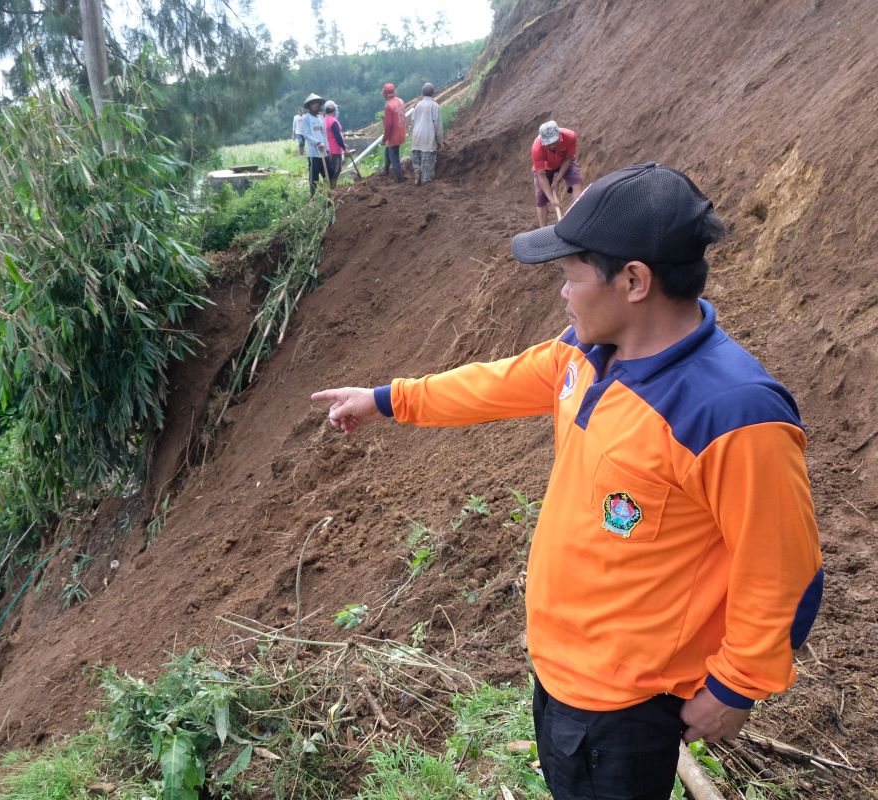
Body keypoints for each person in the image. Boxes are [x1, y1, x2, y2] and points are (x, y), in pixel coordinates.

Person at [311, 162, 823, 800]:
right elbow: (494, 383)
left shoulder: (731, 413)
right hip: (561, 674)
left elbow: (784, 569)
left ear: (634, 280)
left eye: (570, 274)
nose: (562, 293)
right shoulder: (586, 355)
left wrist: (737, 688)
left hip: (630, 705)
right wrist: (387, 399)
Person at [533, 120, 583, 227]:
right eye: (549, 144)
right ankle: (543, 230)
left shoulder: (570, 136)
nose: (552, 146)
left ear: (559, 135)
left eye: (554, 143)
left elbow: (569, 158)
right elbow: (541, 175)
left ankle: (578, 221)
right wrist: (552, 199)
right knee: (541, 198)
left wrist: (557, 179)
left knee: (576, 181)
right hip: (545, 168)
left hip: (565, 160)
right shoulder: (537, 148)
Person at [409, 82, 444, 185]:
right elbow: (437, 125)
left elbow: (413, 121)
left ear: (422, 93)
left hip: (416, 138)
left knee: (417, 161)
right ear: (433, 93)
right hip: (428, 139)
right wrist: (439, 140)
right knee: (427, 163)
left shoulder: (418, 106)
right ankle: (425, 180)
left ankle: (417, 176)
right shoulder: (435, 106)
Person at [299, 94, 330, 197]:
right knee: (314, 177)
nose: (316, 105)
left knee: (329, 174)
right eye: (313, 103)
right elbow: (306, 134)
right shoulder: (306, 118)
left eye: (317, 103)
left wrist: (327, 147)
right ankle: (312, 198)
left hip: (323, 151)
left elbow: (324, 134)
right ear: (309, 106)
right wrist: (317, 143)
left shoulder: (321, 118)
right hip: (314, 153)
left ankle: (329, 194)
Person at [380, 83, 406, 181]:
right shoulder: (400, 101)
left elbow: (388, 126)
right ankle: (386, 170)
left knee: (393, 156)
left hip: (393, 135)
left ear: (385, 93)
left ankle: (400, 178)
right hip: (401, 131)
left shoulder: (388, 106)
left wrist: (384, 139)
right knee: (388, 151)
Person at [324, 100, 348, 189]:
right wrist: (344, 148)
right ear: (333, 110)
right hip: (335, 150)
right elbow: (338, 137)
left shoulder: (324, 120)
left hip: (328, 150)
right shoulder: (333, 122)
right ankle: (332, 188)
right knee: (336, 170)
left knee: (331, 170)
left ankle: (330, 187)